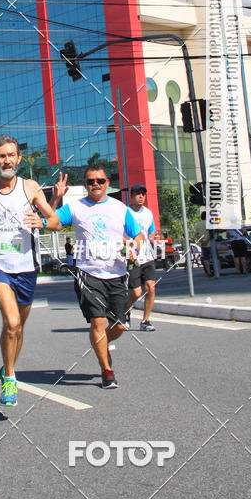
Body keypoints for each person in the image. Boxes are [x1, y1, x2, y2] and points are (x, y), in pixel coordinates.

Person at [0, 135, 59, 407]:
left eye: (11, 155)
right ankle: (9, 378)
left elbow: (54, 221)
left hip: (26, 267)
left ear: (18, 158)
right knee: (12, 322)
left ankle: (6, 367)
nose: (7, 160)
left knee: (18, 329)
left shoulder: (30, 188)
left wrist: (40, 221)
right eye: (1, 156)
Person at [43, 166, 142, 389]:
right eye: (90, 181)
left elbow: (138, 234)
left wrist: (134, 247)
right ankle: (106, 370)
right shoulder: (76, 207)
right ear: (86, 185)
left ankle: (103, 343)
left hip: (117, 273)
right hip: (88, 273)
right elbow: (51, 224)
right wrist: (55, 198)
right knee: (97, 321)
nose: (95, 184)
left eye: (99, 180)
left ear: (107, 183)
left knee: (119, 326)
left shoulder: (120, 208)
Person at [125, 184, 157, 331]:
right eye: (138, 194)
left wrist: (153, 237)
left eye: (143, 194)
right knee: (136, 292)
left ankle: (145, 321)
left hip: (148, 256)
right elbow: (120, 233)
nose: (141, 197)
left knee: (150, 288)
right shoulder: (125, 212)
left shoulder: (148, 213)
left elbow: (151, 232)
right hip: (133, 257)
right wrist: (130, 246)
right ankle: (125, 313)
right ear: (131, 196)